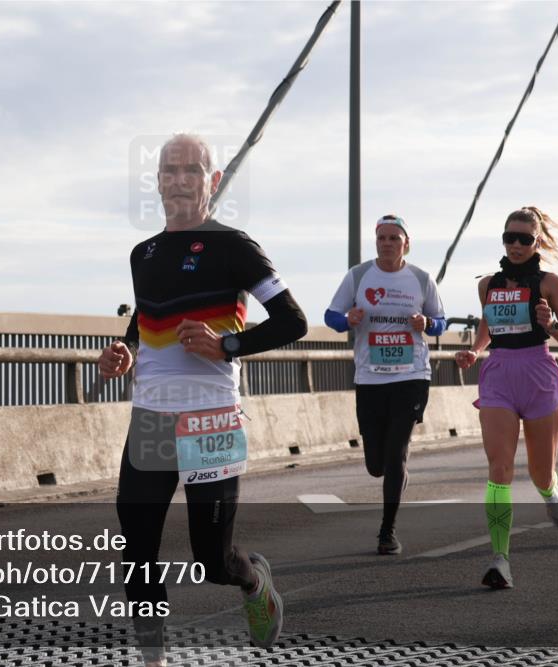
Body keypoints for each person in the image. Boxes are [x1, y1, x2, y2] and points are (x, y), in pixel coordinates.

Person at [97, 134, 308, 666]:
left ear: (212, 182)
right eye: (169, 171)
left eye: (191, 170)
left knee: (212, 560)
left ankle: (253, 581)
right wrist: (125, 350)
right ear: (158, 182)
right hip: (150, 417)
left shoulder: (234, 245)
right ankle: (154, 659)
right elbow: (145, 321)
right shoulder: (142, 253)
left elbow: (293, 321)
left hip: (209, 416)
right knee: (138, 550)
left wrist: (227, 344)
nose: (179, 180)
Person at [455, 206, 558, 589]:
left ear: (537, 241)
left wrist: (552, 325)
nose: (516, 244)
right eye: (509, 237)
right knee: (500, 470)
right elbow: (488, 327)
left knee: (540, 471)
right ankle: (500, 559)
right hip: (499, 376)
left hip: (539, 375)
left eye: (524, 238)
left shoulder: (550, 283)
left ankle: (550, 489)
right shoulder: (487, 284)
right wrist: (475, 351)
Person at [325, 214, 446, 555]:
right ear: (376, 241)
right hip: (370, 377)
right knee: (375, 464)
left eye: (395, 238)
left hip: (411, 376)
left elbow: (441, 322)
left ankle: (387, 532)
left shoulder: (422, 279)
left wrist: (427, 323)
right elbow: (330, 316)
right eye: (382, 238)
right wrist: (346, 319)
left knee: (396, 454)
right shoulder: (359, 276)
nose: (388, 243)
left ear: (406, 243)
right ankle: (389, 474)